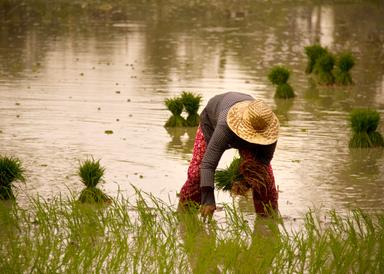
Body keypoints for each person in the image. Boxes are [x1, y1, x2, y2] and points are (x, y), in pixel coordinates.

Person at [178, 91, 279, 218]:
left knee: (263, 177)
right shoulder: (225, 126)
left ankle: (268, 218)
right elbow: (208, 163)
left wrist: (245, 180)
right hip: (212, 123)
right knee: (197, 174)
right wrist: (208, 199)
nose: (253, 137)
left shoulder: (269, 129)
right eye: (251, 134)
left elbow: (264, 161)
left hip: (249, 125)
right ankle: (185, 213)